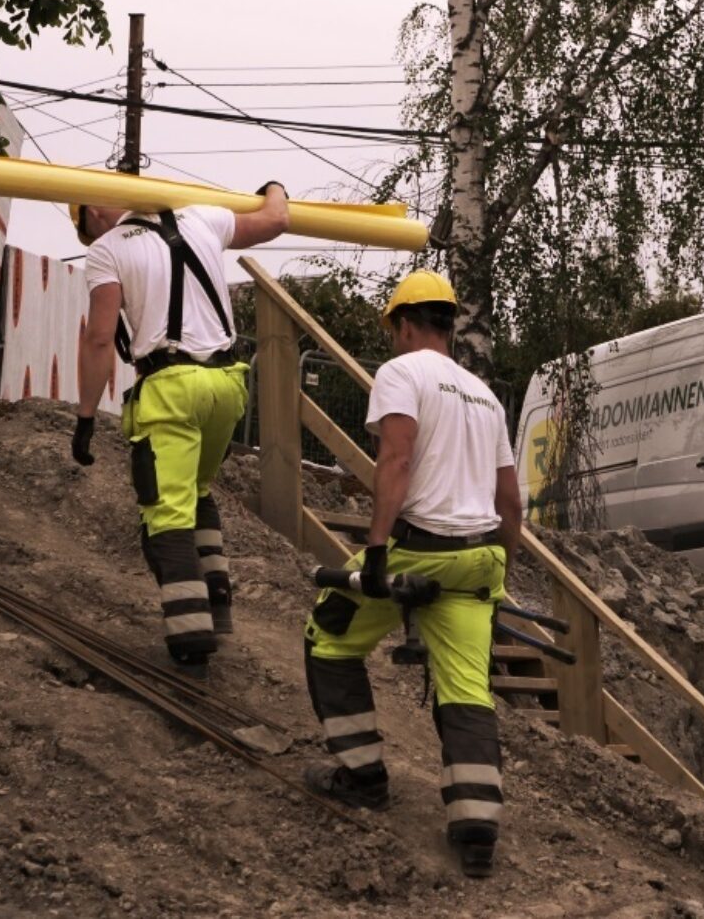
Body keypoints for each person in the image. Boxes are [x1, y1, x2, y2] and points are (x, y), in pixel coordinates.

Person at [302, 269, 522, 878]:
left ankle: (364, 776)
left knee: (328, 636)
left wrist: (375, 553)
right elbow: (511, 506)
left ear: (403, 325)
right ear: (449, 325)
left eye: (394, 330)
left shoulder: (401, 373)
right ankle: (476, 832)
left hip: (417, 548)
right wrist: (496, 578)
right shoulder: (485, 396)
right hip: (479, 558)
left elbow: (395, 458)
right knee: (467, 689)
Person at [69, 185, 290, 678]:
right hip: (228, 385)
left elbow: (100, 337)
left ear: (95, 209)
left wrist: (86, 416)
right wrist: (273, 189)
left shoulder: (108, 250)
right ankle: (218, 606)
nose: (91, 239)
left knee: (164, 512)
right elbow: (276, 220)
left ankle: (191, 639)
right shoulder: (204, 218)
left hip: (171, 387)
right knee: (197, 490)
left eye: (86, 230)